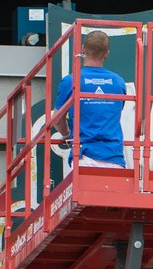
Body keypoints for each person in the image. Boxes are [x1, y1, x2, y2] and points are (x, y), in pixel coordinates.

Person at [52, 30, 128, 168]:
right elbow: (115, 111)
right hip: (114, 157)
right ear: (106, 53)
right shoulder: (119, 82)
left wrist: (67, 134)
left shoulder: (70, 81)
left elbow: (56, 119)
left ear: (83, 49)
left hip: (83, 156)